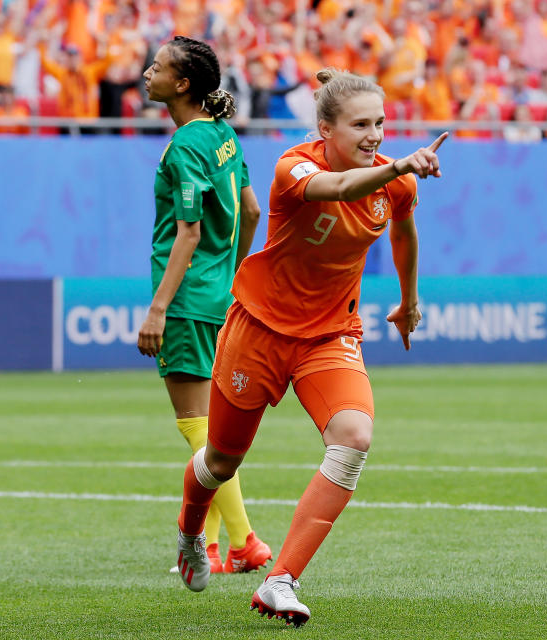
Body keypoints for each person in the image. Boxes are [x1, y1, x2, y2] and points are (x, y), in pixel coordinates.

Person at [172, 67, 447, 627]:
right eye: (360, 125)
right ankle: (190, 532)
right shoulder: (295, 167)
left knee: (353, 438)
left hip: (329, 335)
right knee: (222, 461)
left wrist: (409, 299)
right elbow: (340, 188)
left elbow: (403, 231)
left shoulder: (395, 182)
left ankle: (280, 581)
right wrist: (398, 165)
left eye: (381, 124)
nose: (374, 136)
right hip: (259, 330)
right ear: (325, 129)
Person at [137, 36, 272, 578]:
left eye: (158, 67)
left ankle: (244, 542)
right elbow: (252, 210)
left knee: (198, 430)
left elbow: (187, 232)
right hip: (219, 297)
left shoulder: (185, 146)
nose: (147, 72)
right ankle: (213, 550)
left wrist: (158, 309)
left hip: (188, 301)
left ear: (183, 84)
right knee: (214, 428)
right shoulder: (223, 137)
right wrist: (236, 278)